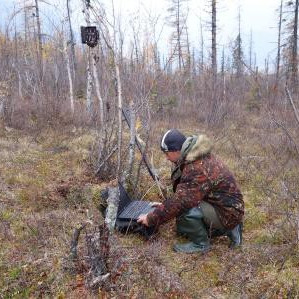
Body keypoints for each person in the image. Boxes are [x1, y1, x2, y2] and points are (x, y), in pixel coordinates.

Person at [137, 129, 244, 253]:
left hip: (228, 212)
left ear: (176, 150)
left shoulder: (196, 167)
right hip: (229, 206)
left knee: (186, 212)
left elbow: (181, 201)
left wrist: (151, 218)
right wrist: (164, 206)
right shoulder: (197, 155)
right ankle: (232, 227)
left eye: (166, 153)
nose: (166, 158)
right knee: (182, 227)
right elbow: (187, 192)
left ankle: (201, 244)